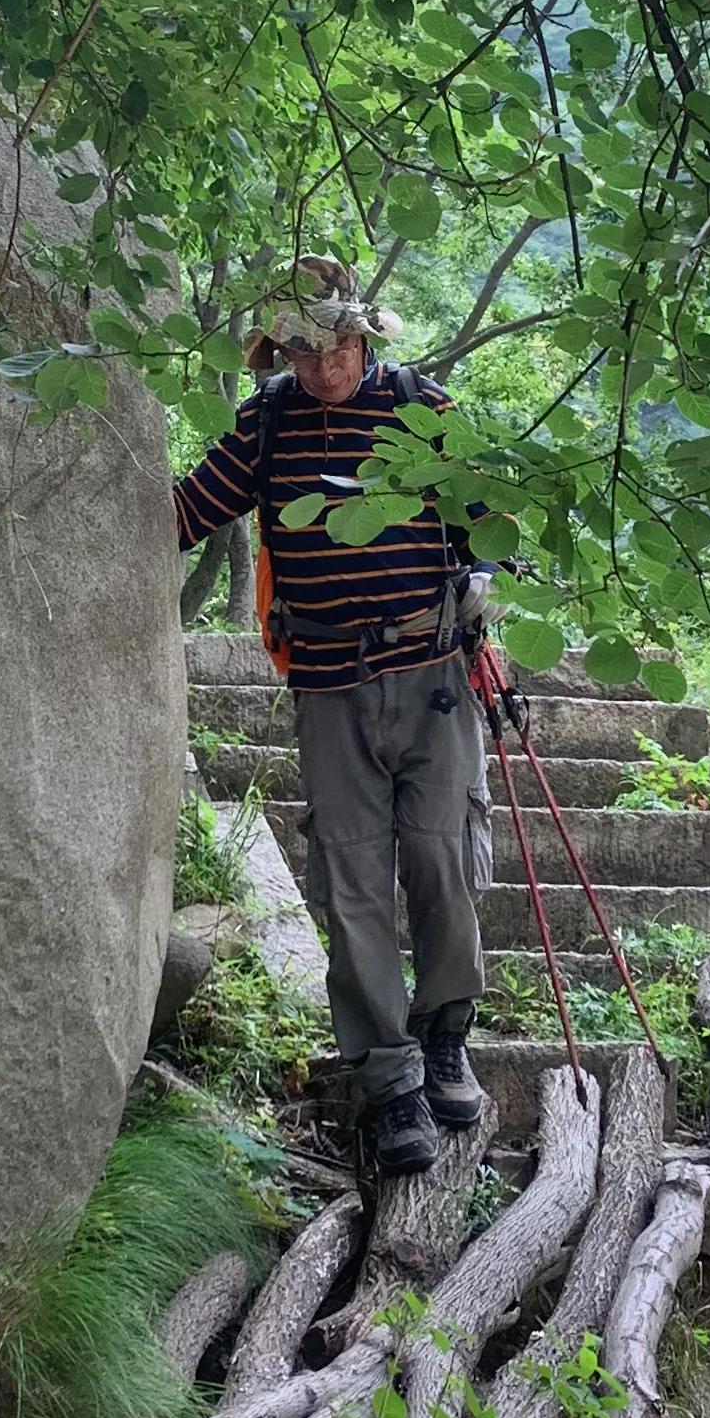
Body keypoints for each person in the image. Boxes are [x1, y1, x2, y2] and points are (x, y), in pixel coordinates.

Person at [172, 257, 492, 1176]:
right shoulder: (266, 420)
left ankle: (443, 1036)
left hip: (432, 679)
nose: (320, 368)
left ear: (363, 338)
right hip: (325, 685)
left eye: (334, 348)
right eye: (301, 353)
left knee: (441, 860)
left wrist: (488, 583)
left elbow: (488, 520)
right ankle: (389, 1082)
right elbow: (190, 510)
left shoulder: (422, 408)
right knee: (351, 884)